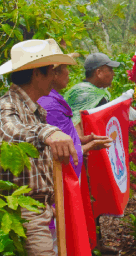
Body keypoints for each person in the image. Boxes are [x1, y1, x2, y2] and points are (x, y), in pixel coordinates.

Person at [0, 39, 79, 256]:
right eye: (50, 71)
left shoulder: (34, 109)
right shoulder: (7, 105)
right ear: (37, 73)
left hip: (41, 208)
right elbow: (9, 132)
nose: (54, 77)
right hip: (25, 211)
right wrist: (47, 132)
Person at [37, 60, 113, 252]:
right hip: (59, 181)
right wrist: (89, 146)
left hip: (67, 177)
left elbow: (68, 138)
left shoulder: (53, 98)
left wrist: (84, 139)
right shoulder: (50, 105)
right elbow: (61, 152)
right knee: (59, 235)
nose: (69, 74)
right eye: (65, 70)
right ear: (52, 74)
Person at [64, 52, 121, 132]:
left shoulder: (99, 93)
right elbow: (76, 125)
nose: (113, 74)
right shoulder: (83, 94)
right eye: (110, 70)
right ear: (99, 72)